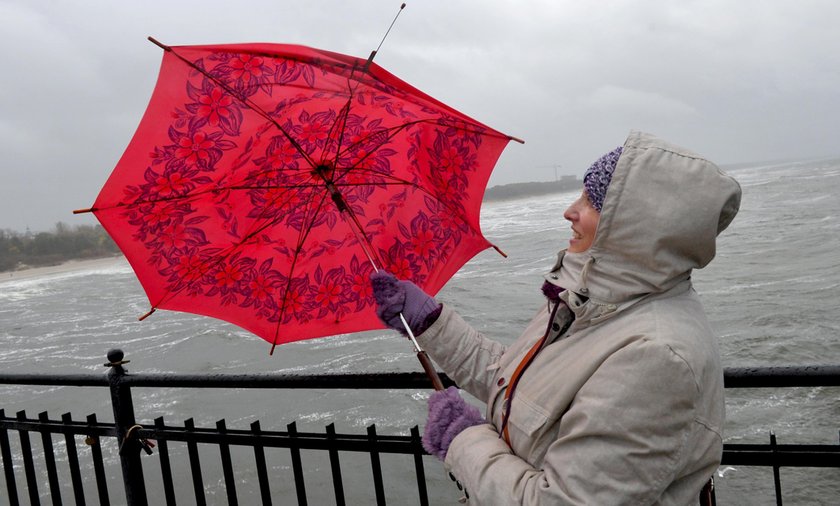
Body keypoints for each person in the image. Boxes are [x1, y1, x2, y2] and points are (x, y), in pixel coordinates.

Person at [371, 130, 742, 505]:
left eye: (593, 201)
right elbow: (511, 381)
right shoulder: (590, 302)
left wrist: (463, 441)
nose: (570, 210)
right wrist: (429, 322)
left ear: (634, 227)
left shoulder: (657, 357)